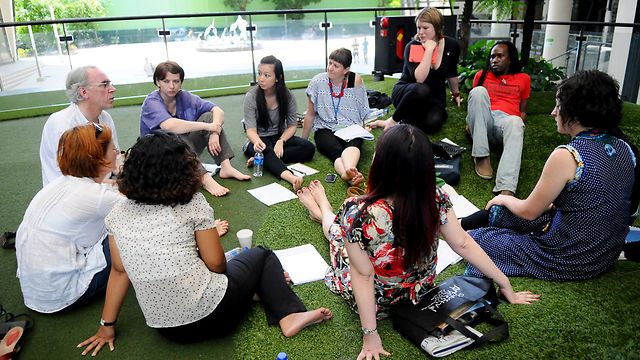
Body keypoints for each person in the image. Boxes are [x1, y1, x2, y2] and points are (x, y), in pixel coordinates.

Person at [78, 131, 333, 356]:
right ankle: (289, 315)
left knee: (240, 270)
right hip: (218, 315)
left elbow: (120, 270)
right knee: (262, 255)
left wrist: (106, 325)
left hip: (168, 330)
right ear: (183, 168)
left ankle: (257, 291)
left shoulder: (117, 214)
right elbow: (217, 265)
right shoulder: (192, 203)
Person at [298, 124, 539, 359]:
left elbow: (363, 276)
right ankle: (323, 212)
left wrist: (370, 335)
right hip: (420, 294)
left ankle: (323, 211)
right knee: (344, 233)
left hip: (380, 303)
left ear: (381, 163)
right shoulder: (434, 196)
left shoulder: (357, 211)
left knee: (338, 237)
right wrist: (504, 283)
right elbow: (462, 243)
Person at [465, 70, 639, 281]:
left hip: (569, 259)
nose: (553, 112)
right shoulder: (624, 147)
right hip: (605, 255)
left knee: (479, 239)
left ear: (575, 113)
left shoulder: (567, 156)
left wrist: (503, 197)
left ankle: (456, 227)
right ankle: (459, 223)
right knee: (508, 214)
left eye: (558, 106)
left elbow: (529, 211)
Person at [17, 124, 121, 313]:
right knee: (126, 229)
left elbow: (98, 191)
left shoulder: (58, 184)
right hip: (63, 295)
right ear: (98, 159)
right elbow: (140, 204)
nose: (117, 152)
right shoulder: (96, 197)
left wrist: (111, 182)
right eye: (113, 149)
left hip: (35, 290)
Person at [140, 61, 250, 197]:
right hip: (160, 157)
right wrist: (208, 127)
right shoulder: (151, 102)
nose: (172, 86)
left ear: (181, 82)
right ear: (158, 82)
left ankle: (226, 167)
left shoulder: (184, 97)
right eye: (166, 81)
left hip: (185, 150)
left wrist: (214, 131)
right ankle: (205, 179)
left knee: (209, 116)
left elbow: (217, 111)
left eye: (176, 81)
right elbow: (169, 126)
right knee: (170, 135)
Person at [369, 7, 461, 135]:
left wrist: (456, 93)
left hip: (434, 97)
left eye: (425, 28)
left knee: (433, 124)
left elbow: (451, 72)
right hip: (408, 93)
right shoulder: (412, 46)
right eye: (419, 28)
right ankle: (394, 121)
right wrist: (429, 50)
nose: (421, 32)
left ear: (437, 27)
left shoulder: (452, 45)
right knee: (422, 89)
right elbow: (420, 79)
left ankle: (402, 120)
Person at [466, 40, 531, 196]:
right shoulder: (481, 76)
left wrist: (516, 126)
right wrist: (470, 123)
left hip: (506, 123)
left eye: (500, 56)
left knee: (516, 121)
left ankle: (506, 187)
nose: (494, 60)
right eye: (492, 56)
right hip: (484, 120)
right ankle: (481, 156)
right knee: (478, 92)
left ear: (510, 59)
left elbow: (522, 111)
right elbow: (475, 105)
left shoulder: (523, 79)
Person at [243, 55, 315, 190]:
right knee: (266, 150)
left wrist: (281, 141)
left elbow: (292, 126)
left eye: (266, 75)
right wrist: (257, 142)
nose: (261, 79)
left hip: (279, 137)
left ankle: (263, 160)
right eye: (259, 74)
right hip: (257, 140)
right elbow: (251, 130)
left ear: (277, 78)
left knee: (308, 148)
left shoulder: (288, 96)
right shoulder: (251, 96)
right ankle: (291, 177)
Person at [40, 66, 119, 186]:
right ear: (83, 92)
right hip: (70, 194)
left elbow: (115, 157)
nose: (113, 89)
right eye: (104, 85)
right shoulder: (62, 124)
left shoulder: (105, 117)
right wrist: (118, 185)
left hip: (99, 183)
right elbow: (73, 179)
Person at [302, 48, 371, 186]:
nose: (330, 68)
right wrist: (302, 141)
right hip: (325, 127)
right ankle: (350, 175)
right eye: (330, 63)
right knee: (334, 149)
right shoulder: (317, 82)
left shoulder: (353, 80)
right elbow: (310, 114)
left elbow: (361, 107)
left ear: (346, 70)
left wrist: (362, 128)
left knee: (354, 143)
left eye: (336, 65)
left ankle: (350, 171)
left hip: (350, 126)